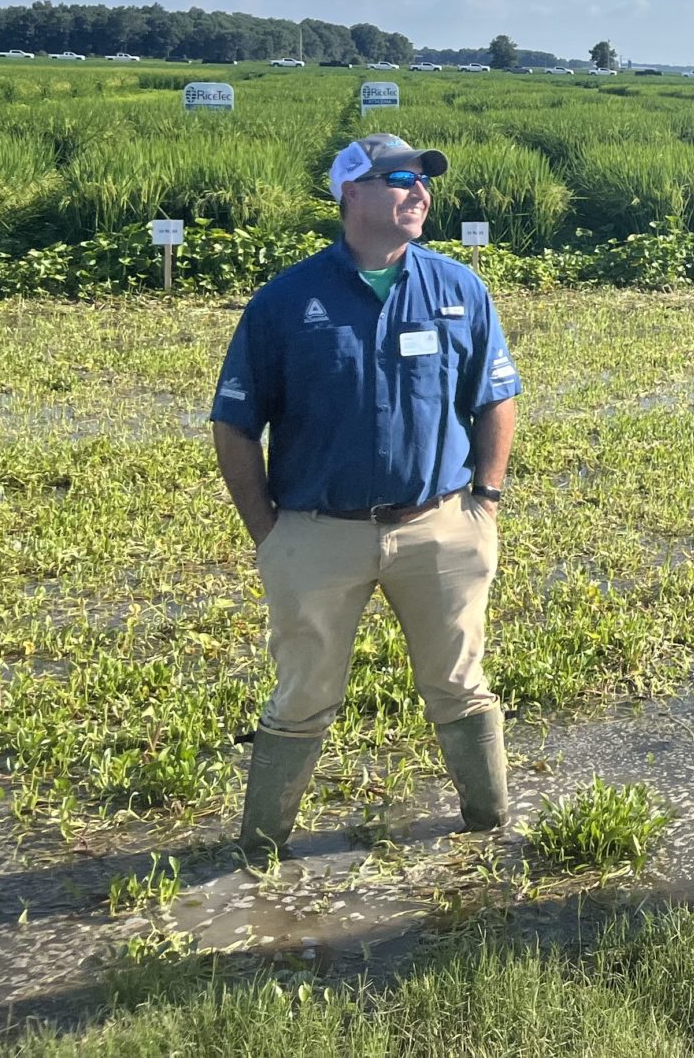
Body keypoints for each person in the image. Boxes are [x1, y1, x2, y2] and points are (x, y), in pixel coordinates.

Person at [211, 133, 522, 863]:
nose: (421, 193)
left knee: (460, 684)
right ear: (350, 192)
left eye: (423, 181)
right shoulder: (286, 301)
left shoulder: (458, 289)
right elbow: (233, 424)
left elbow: (495, 398)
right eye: (401, 179)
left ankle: (489, 830)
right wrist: (272, 533)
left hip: (441, 527)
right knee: (303, 695)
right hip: (317, 534)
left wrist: (486, 500)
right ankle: (260, 850)